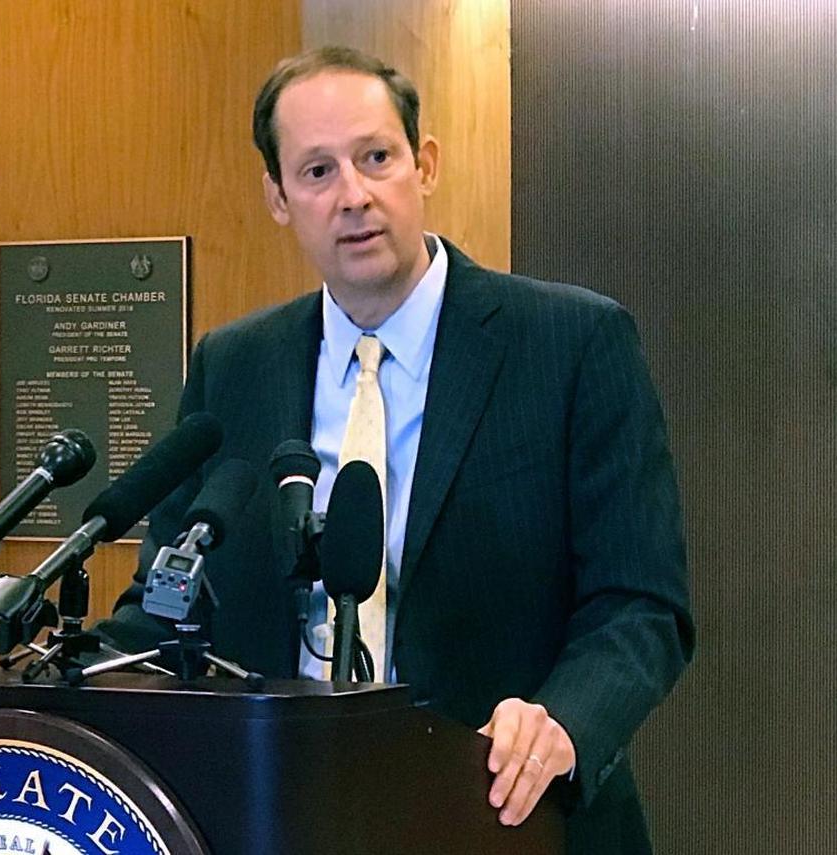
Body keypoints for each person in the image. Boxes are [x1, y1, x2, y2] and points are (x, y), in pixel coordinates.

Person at [98, 45, 693, 853]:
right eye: (316, 172)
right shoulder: (233, 366)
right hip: (278, 818)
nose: (354, 196)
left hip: (505, 819)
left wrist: (563, 721)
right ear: (278, 197)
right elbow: (171, 600)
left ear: (426, 164)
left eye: (376, 157)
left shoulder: (571, 343)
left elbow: (641, 602)